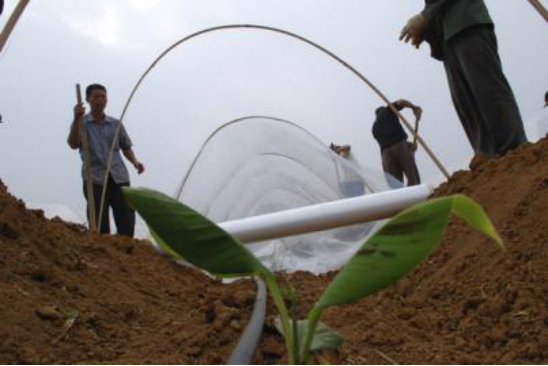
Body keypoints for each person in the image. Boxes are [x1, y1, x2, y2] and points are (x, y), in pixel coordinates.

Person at [400, 0, 528, 157]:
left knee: (487, 90)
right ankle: (488, 158)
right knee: (466, 104)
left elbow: (434, 8)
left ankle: (516, 150)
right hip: (448, 42)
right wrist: (425, 27)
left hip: (466, 24)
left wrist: (425, 17)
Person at [68, 84, 145, 237]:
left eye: (103, 96)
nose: (100, 100)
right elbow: (73, 143)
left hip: (119, 177)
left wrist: (135, 162)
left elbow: (126, 147)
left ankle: (126, 251)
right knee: (98, 223)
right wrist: (76, 117)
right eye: (96, 97)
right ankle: (103, 251)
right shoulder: (81, 123)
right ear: (88, 100)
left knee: (126, 219)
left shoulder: (116, 124)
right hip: (94, 179)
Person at [372, 100, 422, 186]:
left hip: (386, 157)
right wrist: (414, 108)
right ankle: (416, 194)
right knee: (413, 177)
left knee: (395, 185)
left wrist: (410, 146)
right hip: (400, 148)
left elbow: (389, 143)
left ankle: (405, 198)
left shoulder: (374, 128)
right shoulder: (388, 111)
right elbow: (401, 102)